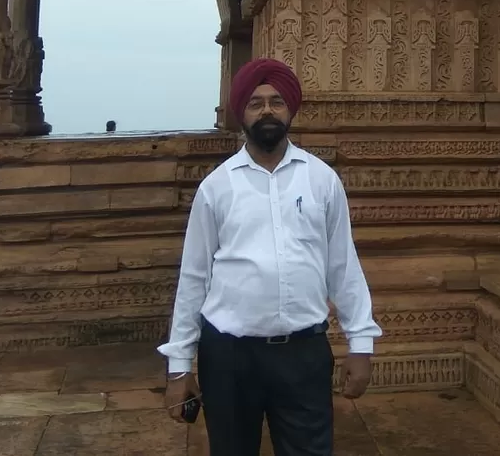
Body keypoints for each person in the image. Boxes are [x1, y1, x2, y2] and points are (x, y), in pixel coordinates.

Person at [160, 57, 381, 456]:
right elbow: (194, 278)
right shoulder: (217, 187)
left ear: (290, 109)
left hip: (303, 354)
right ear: (241, 113)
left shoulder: (320, 179)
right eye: (256, 102)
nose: (266, 110)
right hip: (229, 358)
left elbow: (343, 267)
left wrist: (361, 343)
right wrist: (179, 365)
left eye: (276, 101)